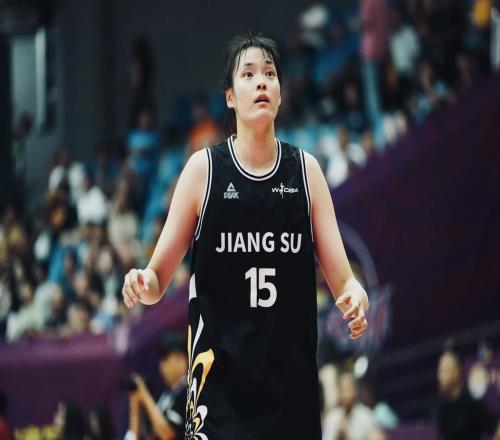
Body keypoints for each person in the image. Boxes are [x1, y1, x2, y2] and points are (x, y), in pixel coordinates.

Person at [121, 33, 369, 439]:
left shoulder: (306, 172)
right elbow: (156, 281)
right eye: (249, 74)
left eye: (270, 74)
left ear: (281, 94)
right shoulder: (203, 171)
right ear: (230, 97)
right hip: (219, 393)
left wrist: (356, 296)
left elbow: (344, 280)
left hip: (290, 392)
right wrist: (141, 281)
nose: (261, 82)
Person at [125, 333, 188, 440]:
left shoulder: (188, 392)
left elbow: (167, 434)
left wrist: (144, 395)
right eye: (161, 361)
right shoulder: (167, 395)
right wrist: (135, 405)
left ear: (182, 359)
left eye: (166, 360)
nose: (161, 367)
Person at [434, 350, 500, 440]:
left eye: (444, 370)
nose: (439, 375)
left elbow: (497, 430)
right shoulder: (441, 408)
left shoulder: (472, 403)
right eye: (439, 370)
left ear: (457, 371)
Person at [322, 371, 378, 440]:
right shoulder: (332, 418)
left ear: (356, 390)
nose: (346, 394)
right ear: (339, 392)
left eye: (349, 389)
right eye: (343, 389)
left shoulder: (366, 415)